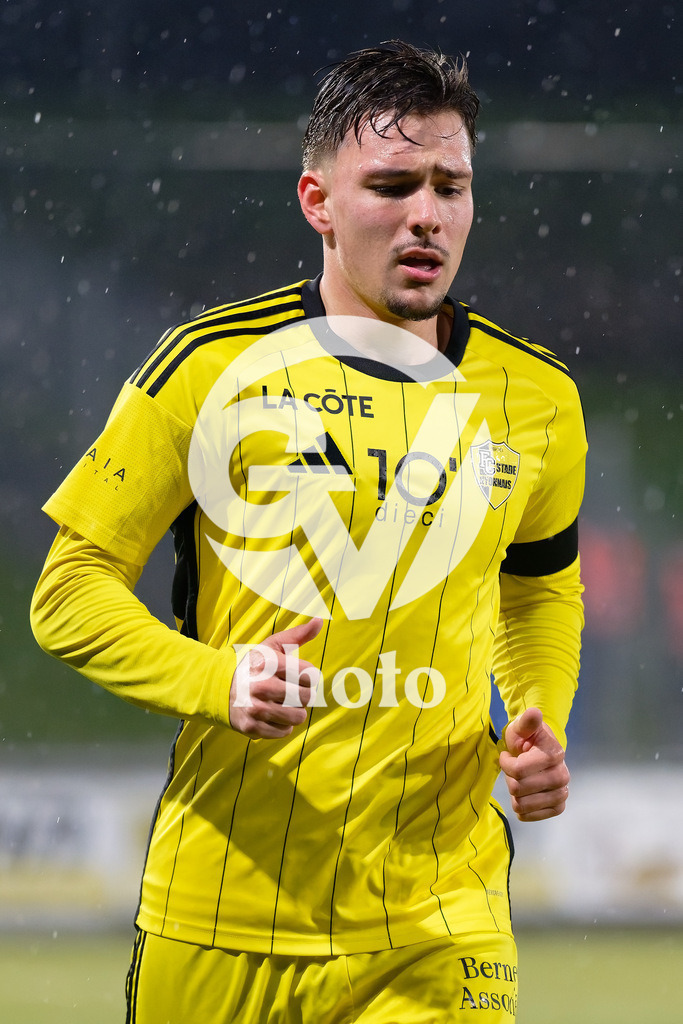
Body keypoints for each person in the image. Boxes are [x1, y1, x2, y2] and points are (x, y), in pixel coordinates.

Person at [31, 40, 585, 1024]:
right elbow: (67, 593)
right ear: (316, 201)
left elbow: (540, 585)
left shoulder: (535, 397)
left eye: (449, 186)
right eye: (392, 183)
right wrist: (218, 680)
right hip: (221, 911)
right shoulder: (209, 368)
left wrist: (538, 710)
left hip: (438, 917)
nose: (426, 213)